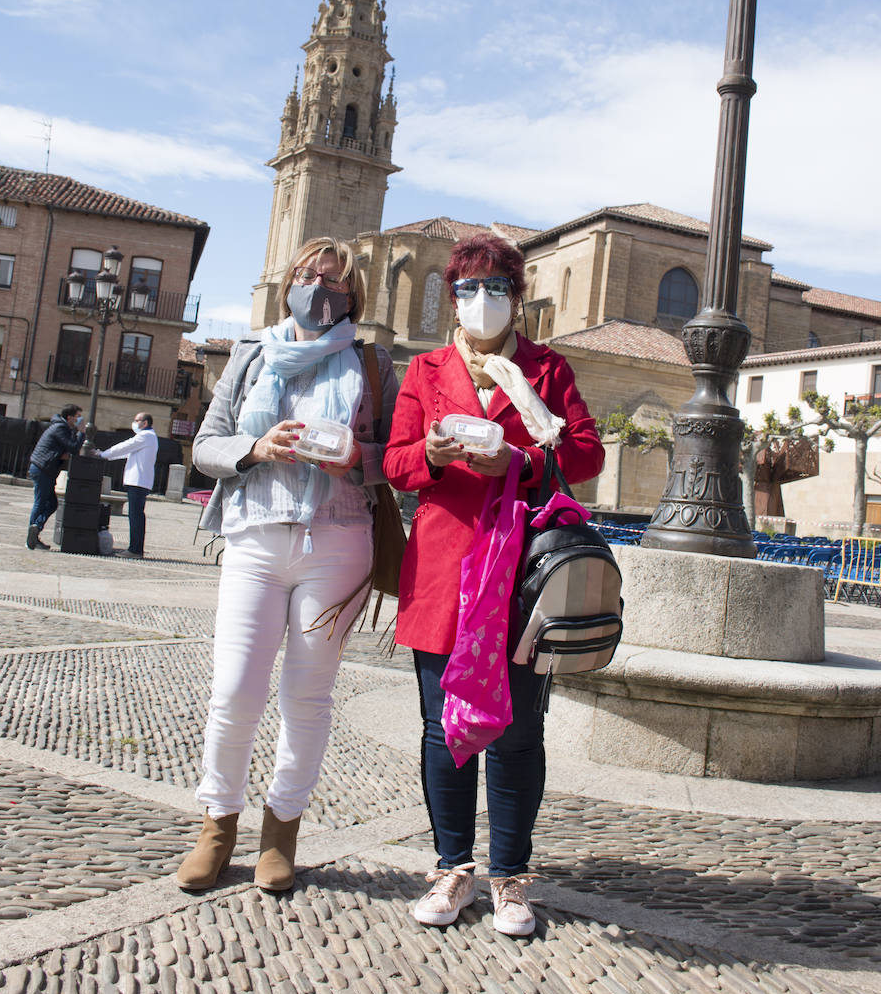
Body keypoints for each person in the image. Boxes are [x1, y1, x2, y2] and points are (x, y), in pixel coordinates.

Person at [383, 233, 604, 936]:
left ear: (517, 296)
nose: (483, 301)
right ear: (453, 296)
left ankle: (509, 876)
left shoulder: (547, 368)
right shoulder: (426, 368)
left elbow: (586, 453)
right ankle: (453, 868)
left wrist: (521, 462)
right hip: (444, 570)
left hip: (522, 574)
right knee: (440, 726)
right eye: (469, 288)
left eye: (496, 287)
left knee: (516, 732)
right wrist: (435, 454)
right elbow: (394, 461)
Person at [177, 236, 397, 894]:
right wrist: (255, 446)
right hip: (254, 537)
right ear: (288, 284)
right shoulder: (250, 353)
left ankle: (282, 831)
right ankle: (217, 826)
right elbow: (204, 448)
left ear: (352, 296)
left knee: (306, 696)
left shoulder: (372, 362)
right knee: (235, 691)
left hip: (339, 540)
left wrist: (354, 458)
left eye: (333, 282)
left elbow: (400, 461)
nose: (319, 288)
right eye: (308, 276)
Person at [26, 404, 85, 548]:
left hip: (46, 469)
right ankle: (31, 536)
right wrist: (81, 432)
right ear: (69, 417)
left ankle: (36, 530)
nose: (80, 419)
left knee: (52, 504)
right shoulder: (60, 428)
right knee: (40, 502)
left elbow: (67, 450)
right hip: (42, 469)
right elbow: (73, 447)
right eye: (78, 416)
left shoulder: (64, 428)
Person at [102, 412, 159, 558]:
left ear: (145, 423)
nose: (134, 423)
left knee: (135, 516)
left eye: (137, 420)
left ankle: (135, 549)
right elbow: (126, 452)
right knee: (136, 515)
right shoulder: (148, 437)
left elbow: (125, 446)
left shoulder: (145, 436)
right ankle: (135, 548)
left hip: (138, 481)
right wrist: (107, 456)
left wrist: (103, 455)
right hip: (139, 481)